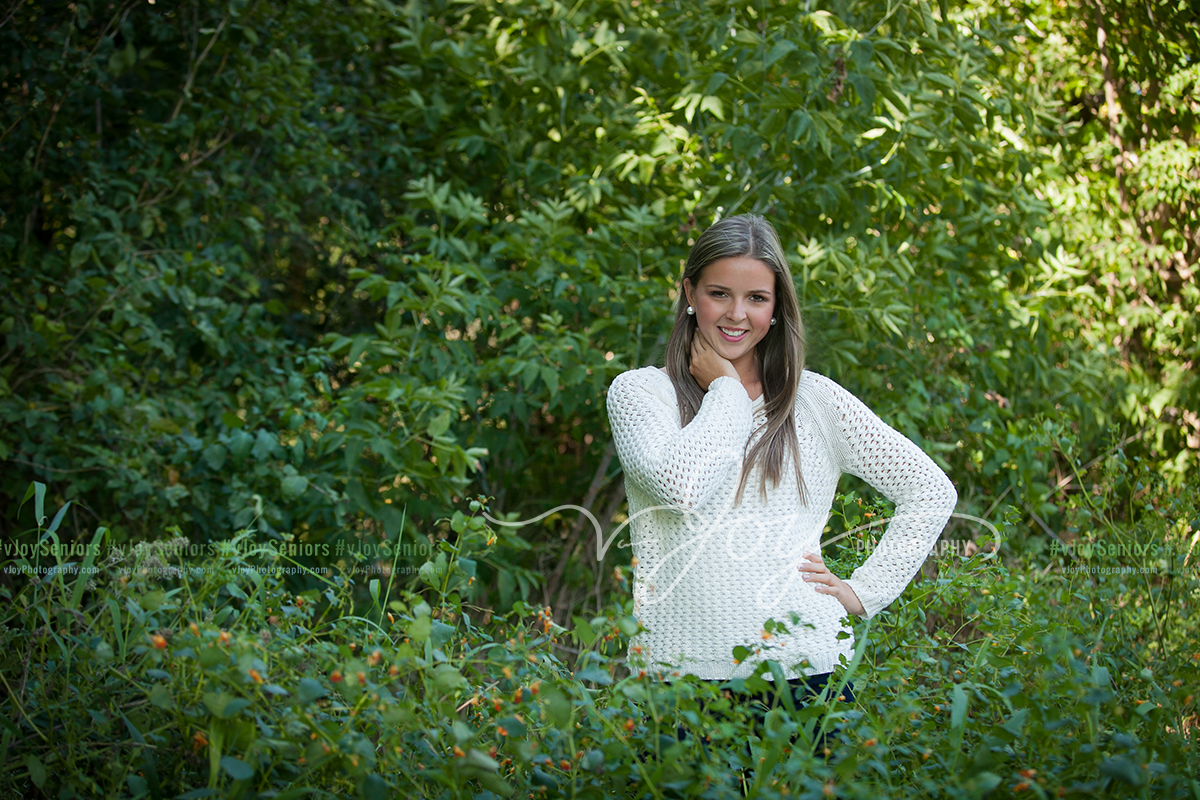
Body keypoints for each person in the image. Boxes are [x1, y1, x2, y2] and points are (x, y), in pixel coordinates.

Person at [606, 213, 957, 748]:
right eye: (719, 293)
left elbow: (929, 491)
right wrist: (725, 390)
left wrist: (863, 592)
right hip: (681, 676)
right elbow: (681, 486)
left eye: (757, 299)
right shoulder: (640, 395)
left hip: (806, 672)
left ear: (777, 308)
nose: (736, 314)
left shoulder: (813, 401)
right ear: (689, 294)